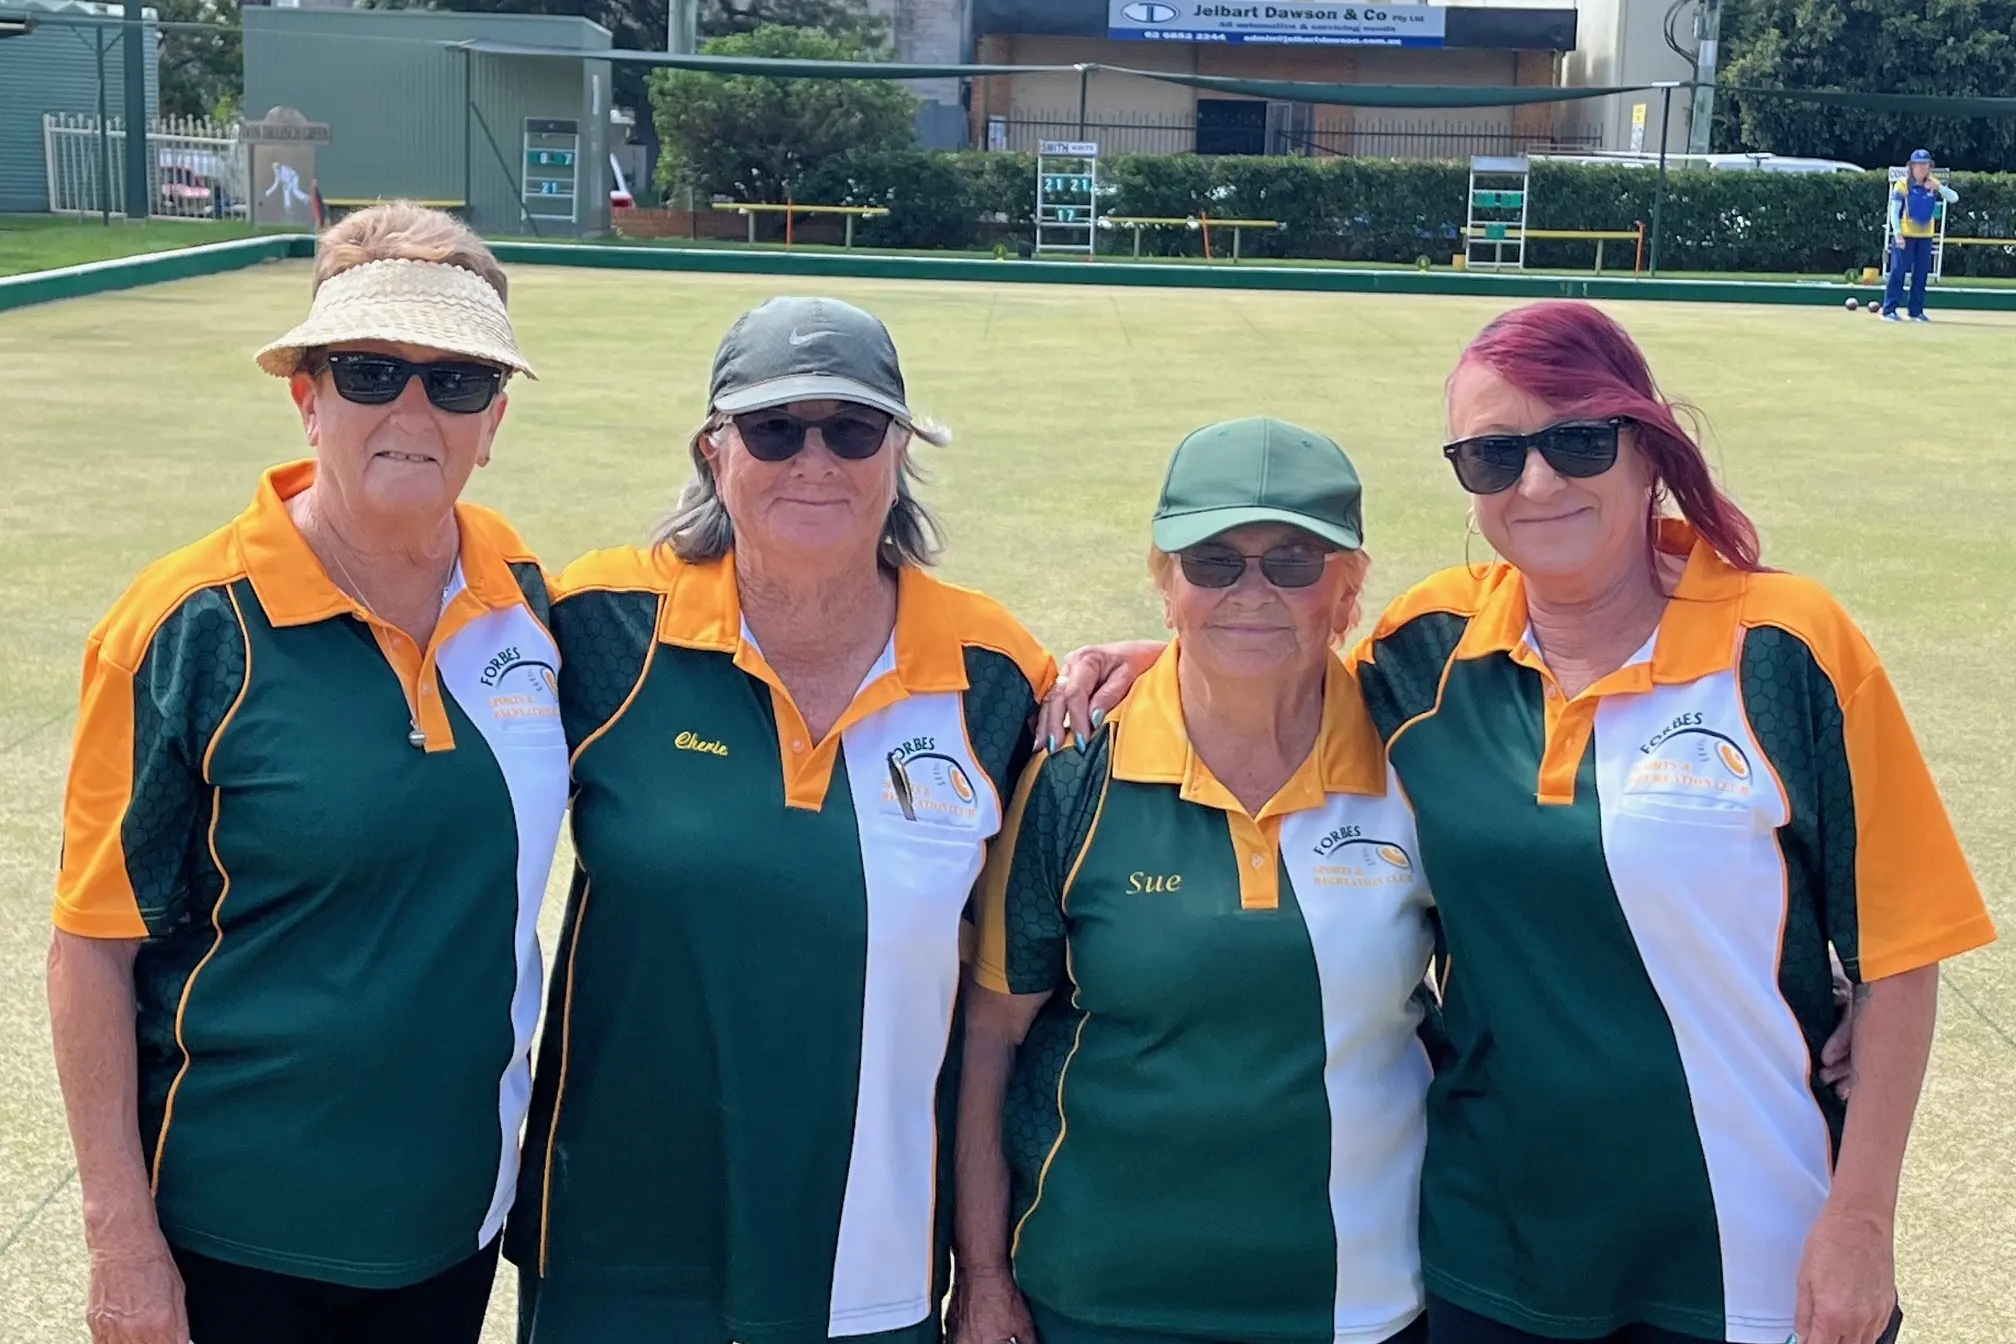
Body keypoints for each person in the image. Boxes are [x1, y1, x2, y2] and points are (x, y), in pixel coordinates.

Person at [1040, 301, 1994, 1344]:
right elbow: (1282, 655)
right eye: (1493, 456)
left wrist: (1859, 1223)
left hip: (1757, 1242)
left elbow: (1900, 953)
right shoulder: (1429, 650)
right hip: (1493, 1258)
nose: (1537, 483)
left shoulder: (1788, 646)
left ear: (1649, 447)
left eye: (1577, 440)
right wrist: (1154, 654)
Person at [47, 202, 567, 1344]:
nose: (413, 411)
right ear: (307, 394)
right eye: (373, 372)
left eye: (458, 382)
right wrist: (120, 1242)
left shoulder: (522, 594)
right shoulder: (184, 626)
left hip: (451, 1218)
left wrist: (1055, 669)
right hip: (229, 1233)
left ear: (496, 421)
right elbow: (93, 945)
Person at [506, 296, 1056, 1344]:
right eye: (774, 429)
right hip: (616, 1247)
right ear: (715, 452)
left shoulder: (996, 675)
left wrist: (1143, 663)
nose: (816, 461)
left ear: (898, 452)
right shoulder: (602, 622)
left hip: (876, 1256)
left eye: (852, 430)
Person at [951, 418, 1435, 1344]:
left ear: (1349, 591)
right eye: (1213, 561)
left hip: (1356, 1301)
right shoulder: (1074, 770)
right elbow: (992, 1034)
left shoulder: (1415, 755)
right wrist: (980, 1277)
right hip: (1096, 1300)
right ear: (1164, 583)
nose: (1251, 592)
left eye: (1293, 561)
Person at [1882, 148, 1958, 322]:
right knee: (1897, 272)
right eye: (1919, 165)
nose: (1923, 168)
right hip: (1905, 236)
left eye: (1926, 165)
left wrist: (1938, 187)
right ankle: (1889, 310)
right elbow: (1894, 212)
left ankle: (1915, 311)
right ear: (1912, 166)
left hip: (1925, 237)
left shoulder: (1933, 183)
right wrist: (1898, 234)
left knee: (1921, 274)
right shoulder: (1902, 184)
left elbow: (1954, 198)